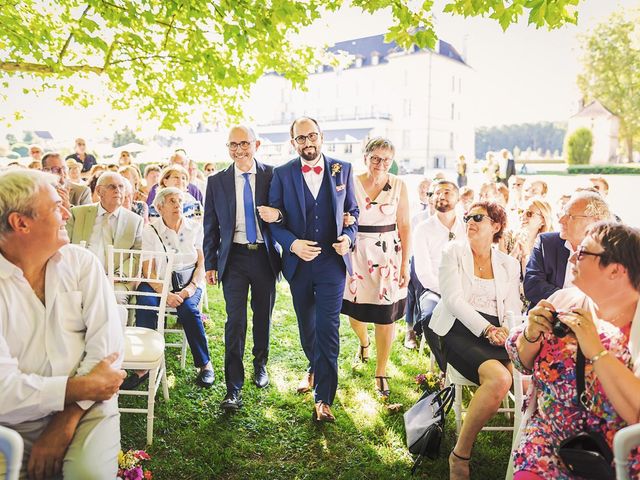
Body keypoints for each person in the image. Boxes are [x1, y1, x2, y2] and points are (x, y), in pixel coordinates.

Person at [0, 169, 125, 479]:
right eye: (57, 206)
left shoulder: (81, 263)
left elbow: (107, 353)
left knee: (89, 475)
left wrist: (67, 418)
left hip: (89, 409)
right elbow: (3, 393)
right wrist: (79, 386)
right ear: (21, 223)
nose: (68, 214)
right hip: (11, 423)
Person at [506, 222, 640, 479]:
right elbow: (521, 363)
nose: (573, 255)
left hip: (618, 457)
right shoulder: (564, 299)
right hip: (548, 446)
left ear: (615, 270)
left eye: (584, 253)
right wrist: (530, 335)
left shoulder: (636, 324)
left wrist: (597, 352)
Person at [268, 117, 359, 422]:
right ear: (293, 142)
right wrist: (293, 245)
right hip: (299, 264)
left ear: (321, 137)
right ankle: (313, 365)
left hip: (332, 263)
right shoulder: (281, 174)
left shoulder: (342, 168)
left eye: (312, 136)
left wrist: (349, 237)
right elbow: (275, 223)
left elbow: (353, 213)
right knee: (307, 327)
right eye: (301, 138)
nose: (307, 143)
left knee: (328, 328)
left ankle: (324, 399)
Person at [429, 201, 521, 479]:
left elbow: (513, 305)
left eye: (478, 217)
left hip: (496, 332)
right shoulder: (453, 251)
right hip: (457, 329)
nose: (470, 220)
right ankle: (460, 455)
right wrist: (487, 330)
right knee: (501, 380)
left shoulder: (509, 263)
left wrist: (506, 328)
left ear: (496, 226)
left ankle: (532, 448)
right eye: (468, 216)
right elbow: (453, 300)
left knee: (526, 376)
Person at [203, 126, 282, 411]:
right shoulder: (217, 182)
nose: (239, 150)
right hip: (233, 258)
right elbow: (210, 227)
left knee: (263, 315)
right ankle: (232, 388)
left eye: (244, 143)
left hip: (264, 257)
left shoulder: (273, 175)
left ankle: (260, 364)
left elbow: (285, 213)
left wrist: (279, 215)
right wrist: (210, 263)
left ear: (256, 144)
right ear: (228, 147)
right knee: (234, 322)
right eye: (233, 145)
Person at [124, 187, 214, 389]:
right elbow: (148, 269)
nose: (177, 205)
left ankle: (205, 365)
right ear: (160, 207)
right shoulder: (151, 230)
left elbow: (202, 263)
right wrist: (165, 293)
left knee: (188, 311)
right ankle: (142, 367)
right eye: (172, 201)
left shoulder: (194, 228)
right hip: (158, 281)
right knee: (146, 304)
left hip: (187, 282)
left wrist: (190, 289)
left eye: (179, 201)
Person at [342, 137, 409, 399]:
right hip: (357, 252)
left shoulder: (399, 185)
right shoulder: (351, 182)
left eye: (386, 160)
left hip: (388, 256)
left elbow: (404, 225)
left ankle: (381, 372)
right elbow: (339, 212)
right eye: (376, 158)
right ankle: (363, 342)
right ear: (365, 157)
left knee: (385, 316)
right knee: (354, 314)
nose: (381, 164)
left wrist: (405, 263)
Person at [412, 180, 466, 370]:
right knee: (429, 318)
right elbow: (423, 273)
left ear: (458, 198)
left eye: (447, 192)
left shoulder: (467, 228)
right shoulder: (423, 229)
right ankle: (446, 368)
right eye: (436, 193)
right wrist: (449, 294)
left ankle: (469, 364)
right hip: (434, 291)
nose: (441, 195)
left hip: (466, 290)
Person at [524, 192, 611, 307]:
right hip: (545, 320)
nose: (561, 220)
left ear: (595, 222)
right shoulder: (546, 243)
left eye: (571, 216)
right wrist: (575, 303)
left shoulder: (609, 254)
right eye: (563, 213)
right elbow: (532, 286)